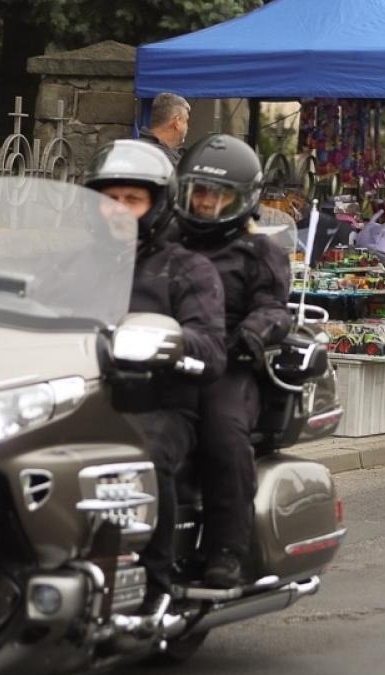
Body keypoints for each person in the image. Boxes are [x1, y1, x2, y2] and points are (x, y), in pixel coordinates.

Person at [85, 141, 226, 610]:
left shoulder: (186, 269)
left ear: (158, 204)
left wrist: (168, 344)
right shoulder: (73, 263)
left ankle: (154, 585)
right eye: (110, 199)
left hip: (157, 404)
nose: (119, 209)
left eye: (133, 199)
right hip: (82, 398)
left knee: (141, 454)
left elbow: (211, 347)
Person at [174, 135, 293, 588]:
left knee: (223, 432)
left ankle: (227, 548)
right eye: (200, 191)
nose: (206, 202)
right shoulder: (168, 241)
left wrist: (252, 335)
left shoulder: (260, 251)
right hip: (165, 353)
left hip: (226, 363)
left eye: (218, 194)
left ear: (242, 199)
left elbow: (274, 308)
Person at [140, 93, 191, 163]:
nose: (187, 127)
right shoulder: (165, 160)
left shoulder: (135, 148)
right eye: (185, 121)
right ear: (177, 122)